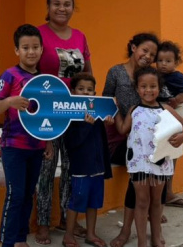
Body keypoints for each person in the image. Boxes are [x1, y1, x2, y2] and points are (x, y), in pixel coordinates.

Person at [36, 0, 92, 243]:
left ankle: (66, 220)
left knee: (71, 167)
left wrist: (90, 104)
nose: (62, 8)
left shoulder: (80, 36)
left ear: (73, 8)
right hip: (46, 111)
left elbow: (88, 74)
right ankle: (43, 222)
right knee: (46, 167)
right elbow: (29, 73)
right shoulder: (38, 35)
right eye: (56, 4)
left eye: (67, 4)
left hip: (74, 112)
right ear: (48, 7)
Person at [114, 66, 183, 247]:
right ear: (137, 88)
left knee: (156, 201)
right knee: (141, 202)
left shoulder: (165, 109)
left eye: (153, 86)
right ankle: (142, 241)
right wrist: (116, 111)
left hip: (160, 162)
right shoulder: (134, 110)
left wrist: (182, 136)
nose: (148, 90)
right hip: (139, 163)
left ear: (159, 87)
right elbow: (123, 129)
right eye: (144, 86)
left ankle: (156, 237)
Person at [0, 24, 54, 247]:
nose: (31, 51)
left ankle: (20, 239)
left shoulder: (45, 80)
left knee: (28, 194)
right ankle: (7, 242)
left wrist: (48, 142)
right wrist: (10, 101)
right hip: (13, 146)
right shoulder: (9, 75)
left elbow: (48, 115)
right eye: (25, 47)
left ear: (41, 49)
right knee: (15, 195)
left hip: (37, 148)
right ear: (17, 50)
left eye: (35, 47)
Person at [102, 33, 160, 247]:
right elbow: (106, 101)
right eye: (144, 50)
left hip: (143, 139)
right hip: (119, 137)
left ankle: (152, 223)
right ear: (133, 47)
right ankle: (126, 231)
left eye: (152, 54)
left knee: (151, 166)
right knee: (138, 170)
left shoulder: (150, 77)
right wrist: (112, 115)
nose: (147, 56)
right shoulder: (116, 72)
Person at [61, 72, 112, 247]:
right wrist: (85, 126)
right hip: (81, 168)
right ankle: (69, 235)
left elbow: (101, 140)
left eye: (90, 90)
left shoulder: (96, 113)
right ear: (73, 91)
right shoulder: (70, 116)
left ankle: (91, 234)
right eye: (81, 89)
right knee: (77, 200)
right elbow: (71, 143)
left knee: (94, 201)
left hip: (98, 166)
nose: (86, 93)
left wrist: (106, 122)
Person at [155, 40, 183, 208]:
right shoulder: (154, 75)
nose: (163, 64)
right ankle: (161, 192)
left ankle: (167, 191)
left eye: (168, 61)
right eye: (160, 60)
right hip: (161, 115)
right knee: (160, 150)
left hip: (175, 114)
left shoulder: (177, 77)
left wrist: (175, 101)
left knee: (173, 148)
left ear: (176, 62)